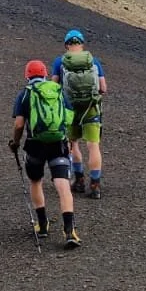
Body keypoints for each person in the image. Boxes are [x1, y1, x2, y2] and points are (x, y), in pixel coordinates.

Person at [9, 60, 81, 248]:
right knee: (63, 185)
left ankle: (42, 225)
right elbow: (69, 118)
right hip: (58, 143)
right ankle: (69, 230)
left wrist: (15, 142)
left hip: (35, 145)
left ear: (27, 76)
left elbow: (18, 124)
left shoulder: (25, 94)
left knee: (36, 181)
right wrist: (70, 141)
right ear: (45, 74)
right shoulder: (57, 91)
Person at [51, 29, 106, 198]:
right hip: (91, 107)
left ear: (67, 45)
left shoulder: (60, 62)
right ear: (82, 44)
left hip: (70, 109)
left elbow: (54, 88)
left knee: (73, 143)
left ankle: (79, 180)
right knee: (93, 145)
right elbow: (103, 88)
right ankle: (95, 185)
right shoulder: (93, 61)